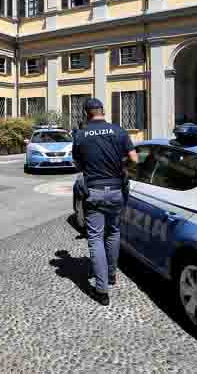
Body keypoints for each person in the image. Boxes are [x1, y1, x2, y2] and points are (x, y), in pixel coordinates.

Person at [72, 98, 138, 306]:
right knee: (114, 232)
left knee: (95, 238)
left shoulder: (81, 135)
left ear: (86, 114)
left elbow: (76, 163)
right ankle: (111, 274)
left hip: (95, 191)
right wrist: (121, 164)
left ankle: (101, 290)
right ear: (103, 110)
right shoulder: (118, 131)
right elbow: (135, 159)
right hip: (116, 190)